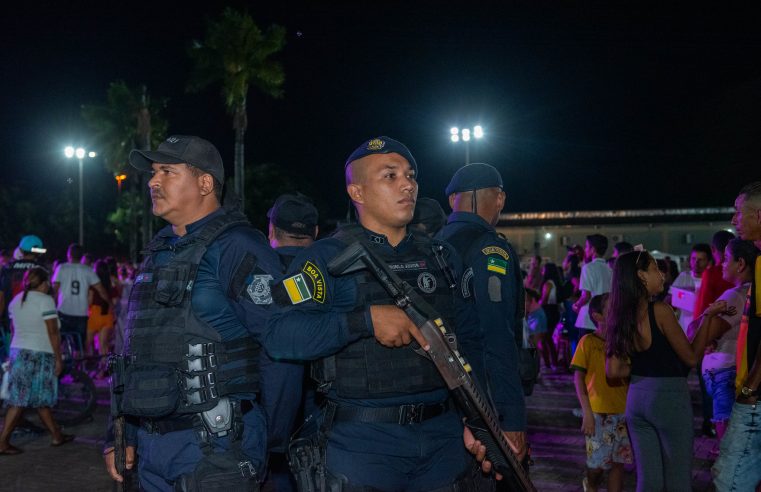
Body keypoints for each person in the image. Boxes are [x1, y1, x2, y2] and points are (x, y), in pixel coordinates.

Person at [264, 137, 492, 490]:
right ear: (358, 192)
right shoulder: (323, 259)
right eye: (390, 176)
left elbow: (471, 340)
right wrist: (364, 321)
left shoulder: (442, 257)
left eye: (411, 175)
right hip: (363, 442)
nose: (408, 184)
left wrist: (480, 421)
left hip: (443, 437)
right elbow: (281, 335)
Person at [103, 135, 300, 491]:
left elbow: (283, 349)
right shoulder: (158, 252)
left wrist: (269, 438)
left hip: (218, 446)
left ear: (205, 183)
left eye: (167, 171)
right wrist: (120, 432)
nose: (153, 181)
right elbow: (133, 354)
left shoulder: (238, 246)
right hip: (153, 448)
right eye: (153, 172)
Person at [436, 162, 528, 476]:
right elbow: (497, 334)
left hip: (441, 399)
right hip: (482, 401)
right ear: (499, 198)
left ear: (452, 201)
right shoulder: (490, 249)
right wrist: (510, 417)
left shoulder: (432, 245)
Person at [605, 250, 698, 492]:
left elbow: (613, 370)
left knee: (648, 482)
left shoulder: (620, 313)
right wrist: (708, 323)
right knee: (678, 480)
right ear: (641, 276)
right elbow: (690, 357)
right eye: (656, 268)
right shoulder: (660, 310)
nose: (662, 274)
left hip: (637, 398)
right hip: (668, 397)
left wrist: (639, 366)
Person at [264, 192, 319, 492]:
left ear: (271, 230)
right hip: (322, 409)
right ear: (316, 233)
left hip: (265, 412)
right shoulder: (331, 271)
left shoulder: (252, 271)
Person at [712, 182, 761, 492]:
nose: (734, 220)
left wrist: (748, 388)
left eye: (738, 212)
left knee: (729, 482)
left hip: (754, 397)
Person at [0, 267, 74, 455]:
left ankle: (57, 435)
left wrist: (11, 355)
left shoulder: (16, 301)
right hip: (39, 354)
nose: (49, 285)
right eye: (47, 282)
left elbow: (14, 330)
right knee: (21, 401)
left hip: (19, 352)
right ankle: (2, 442)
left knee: (38, 399)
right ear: (42, 283)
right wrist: (59, 358)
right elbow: (53, 332)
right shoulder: (46, 300)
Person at [692, 239, 758, 446]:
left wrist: (705, 320)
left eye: (726, 259)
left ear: (740, 264)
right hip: (729, 373)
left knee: (730, 448)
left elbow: (696, 333)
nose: (721, 263)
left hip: (725, 375)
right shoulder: (750, 292)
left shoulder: (736, 295)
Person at [571, 293, 632, 492]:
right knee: (596, 465)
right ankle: (591, 484)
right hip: (598, 413)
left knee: (617, 463)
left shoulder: (624, 342)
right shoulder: (587, 341)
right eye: (611, 306)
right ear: (598, 316)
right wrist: (587, 412)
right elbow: (578, 377)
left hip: (622, 412)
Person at [52, 243, 110, 352]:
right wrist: (110, 304)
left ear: (68, 254)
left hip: (64, 312)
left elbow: (54, 289)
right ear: (81, 256)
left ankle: (58, 365)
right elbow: (101, 290)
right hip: (81, 314)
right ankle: (79, 367)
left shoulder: (62, 268)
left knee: (58, 343)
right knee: (79, 347)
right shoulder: (88, 270)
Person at [572, 234, 613, 340]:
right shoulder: (610, 270)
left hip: (588, 319)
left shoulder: (588, 268)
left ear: (593, 249)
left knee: (585, 353)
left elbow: (586, 295)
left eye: (586, 247)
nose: (585, 250)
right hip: (604, 318)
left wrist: (576, 305)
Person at [669, 243, 711, 332]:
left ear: (708, 261)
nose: (696, 262)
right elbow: (670, 298)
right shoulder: (684, 276)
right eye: (693, 258)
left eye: (701, 259)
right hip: (684, 326)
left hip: (704, 327)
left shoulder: (711, 280)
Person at [85, 259, 117, 361]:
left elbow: (89, 301)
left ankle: (83, 368)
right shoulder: (110, 285)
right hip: (108, 315)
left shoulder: (93, 285)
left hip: (94, 314)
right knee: (104, 345)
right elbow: (115, 301)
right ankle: (103, 370)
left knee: (87, 343)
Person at [539, 262, 562, 371]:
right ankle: (552, 363)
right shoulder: (554, 282)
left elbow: (544, 299)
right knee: (547, 339)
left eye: (543, 269)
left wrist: (535, 306)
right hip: (553, 310)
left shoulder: (547, 283)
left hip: (548, 311)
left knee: (544, 339)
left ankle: (550, 364)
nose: (542, 271)